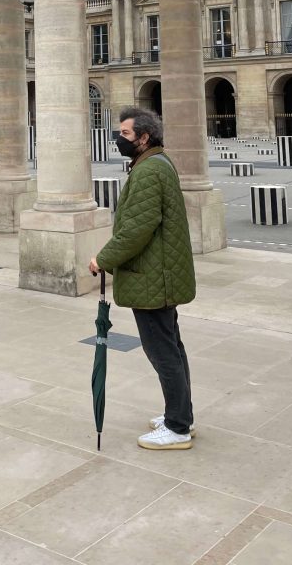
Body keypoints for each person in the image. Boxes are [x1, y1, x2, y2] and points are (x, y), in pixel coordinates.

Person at [89, 107, 196, 451]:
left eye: (125, 134)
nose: (119, 139)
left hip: (153, 277)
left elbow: (136, 229)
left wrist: (102, 260)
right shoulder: (155, 163)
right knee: (171, 348)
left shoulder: (149, 170)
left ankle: (177, 427)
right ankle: (179, 415)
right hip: (161, 273)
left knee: (162, 352)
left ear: (144, 137)